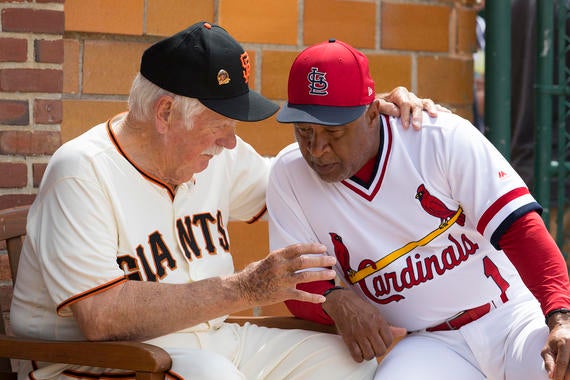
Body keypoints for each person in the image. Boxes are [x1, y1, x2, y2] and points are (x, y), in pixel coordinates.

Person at [10, 22, 439, 380]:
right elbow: (100, 318)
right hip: (105, 363)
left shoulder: (213, 157)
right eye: (220, 124)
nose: (231, 142)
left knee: (352, 366)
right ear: (164, 114)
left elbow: (306, 182)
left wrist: (363, 121)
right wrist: (245, 288)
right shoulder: (82, 171)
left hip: (212, 344)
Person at [267, 39, 570, 380]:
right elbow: (292, 285)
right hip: (431, 342)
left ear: (371, 113)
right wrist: (334, 301)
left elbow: (521, 229)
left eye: (333, 132)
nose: (317, 148)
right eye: (304, 131)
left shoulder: (436, 136)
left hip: (512, 314)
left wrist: (560, 316)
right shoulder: (289, 174)